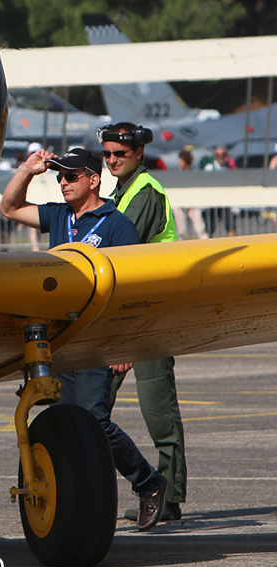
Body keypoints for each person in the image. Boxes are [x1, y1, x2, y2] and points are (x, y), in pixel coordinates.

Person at [0, 146, 168, 531]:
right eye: (59, 176)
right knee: (66, 423)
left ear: (94, 180)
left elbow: (132, 286)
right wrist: (28, 168)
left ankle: (148, 483)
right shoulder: (59, 215)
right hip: (62, 338)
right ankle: (76, 502)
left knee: (93, 420)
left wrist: (124, 342)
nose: (62, 182)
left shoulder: (116, 224)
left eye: (71, 176)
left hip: (99, 338)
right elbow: (9, 208)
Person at [99, 123, 187, 523]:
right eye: (108, 154)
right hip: (125, 316)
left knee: (159, 414)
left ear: (138, 154)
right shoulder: (122, 191)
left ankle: (169, 498)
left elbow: (123, 256)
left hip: (149, 317)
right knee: (91, 409)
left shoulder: (145, 192)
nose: (113, 159)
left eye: (120, 153)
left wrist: (125, 340)